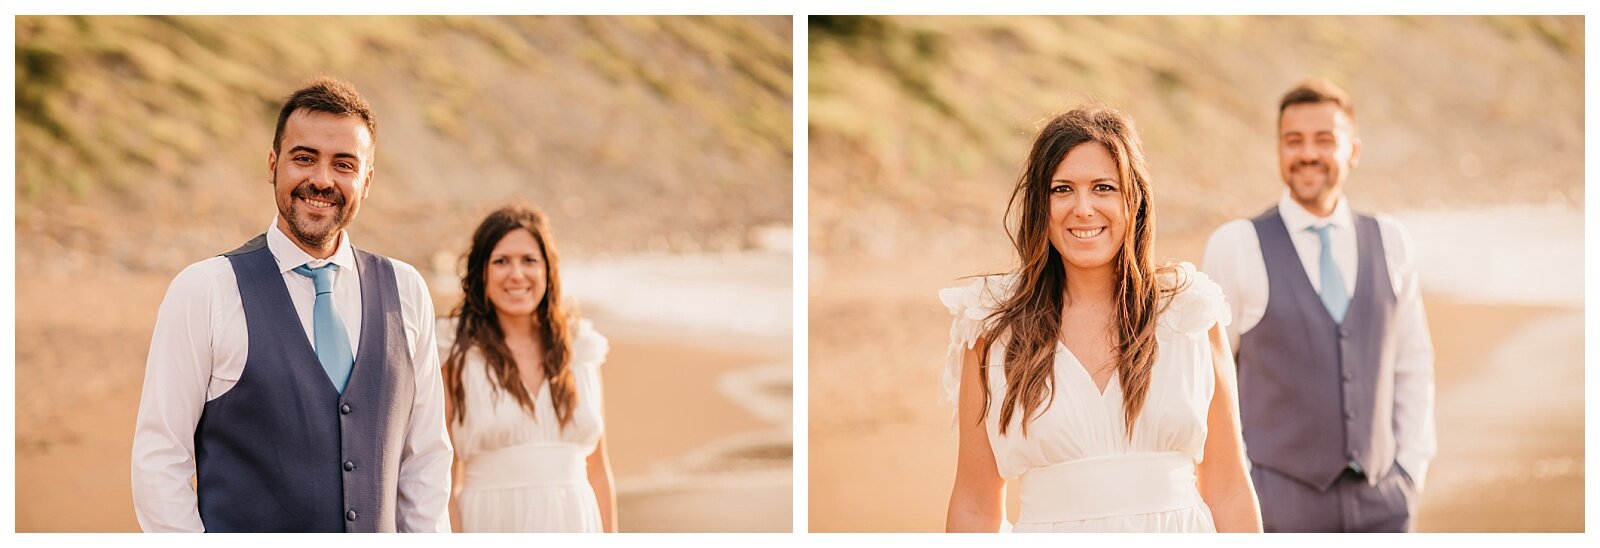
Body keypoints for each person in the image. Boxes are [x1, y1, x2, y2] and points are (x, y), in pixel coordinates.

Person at [131, 77, 453, 532]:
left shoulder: (407, 290)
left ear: (367, 180)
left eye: (344, 164)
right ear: (272, 165)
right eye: (304, 158)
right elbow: (160, 458)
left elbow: (425, 462)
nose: (321, 179)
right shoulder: (204, 290)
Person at [942, 106, 1262, 533]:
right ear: (1041, 204)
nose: (1084, 208)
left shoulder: (1189, 313)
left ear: (1134, 201)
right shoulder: (992, 328)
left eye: (1103, 187)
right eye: (1062, 189)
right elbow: (975, 504)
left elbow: (1229, 489)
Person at [1200, 78, 1437, 533]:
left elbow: (1414, 363)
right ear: (1279, 151)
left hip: (1384, 505)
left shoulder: (1391, 241)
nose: (1308, 153)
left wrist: (1411, 471)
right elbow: (1209, 383)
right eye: (1294, 141)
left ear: (1354, 151)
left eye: (1324, 140)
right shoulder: (1237, 245)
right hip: (1274, 510)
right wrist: (1241, 488)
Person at [439, 204, 617, 533]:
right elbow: (442, 481)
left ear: (549, 271)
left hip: (576, 522)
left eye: (529, 260)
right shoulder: (455, 355)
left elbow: (598, 471)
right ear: (482, 273)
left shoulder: (581, 349)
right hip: (490, 522)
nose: (517, 274)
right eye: (502, 261)